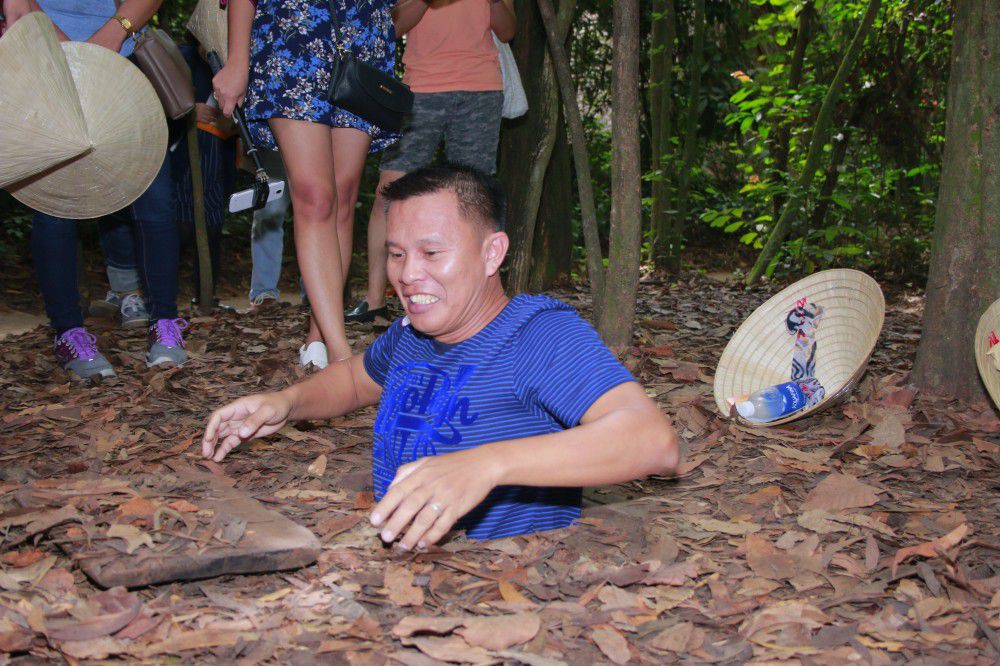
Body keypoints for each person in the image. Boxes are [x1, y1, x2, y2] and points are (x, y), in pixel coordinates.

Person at [202, 165, 680, 546]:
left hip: (508, 584)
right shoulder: (413, 336)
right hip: (407, 574)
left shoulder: (537, 335)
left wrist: (486, 465)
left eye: (431, 253)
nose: (408, 274)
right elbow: (353, 381)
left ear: (492, 254)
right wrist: (285, 403)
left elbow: (652, 441)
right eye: (396, 254)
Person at [4, 0, 187, 380]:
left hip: (121, 59)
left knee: (155, 196)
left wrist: (113, 33)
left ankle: (165, 324)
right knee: (52, 204)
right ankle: (69, 332)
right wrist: (66, 55)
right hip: (44, 62)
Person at [213, 0, 398, 368]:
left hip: (361, 34)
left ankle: (319, 336)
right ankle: (341, 353)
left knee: (343, 198)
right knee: (315, 196)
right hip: (293, 29)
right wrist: (237, 60)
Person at [346, 0, 515, 324]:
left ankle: (476, 303)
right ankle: (374, 300)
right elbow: (390, 28)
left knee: (476, 197)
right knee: (389, 191)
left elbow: (507, 30)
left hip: (480, 87)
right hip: (418, 88)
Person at [247, 149, 290, 309]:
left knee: (318, 213)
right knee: (269, 210)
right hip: (274, 137)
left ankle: (316, 291)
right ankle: (264, 290)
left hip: (318, 135)